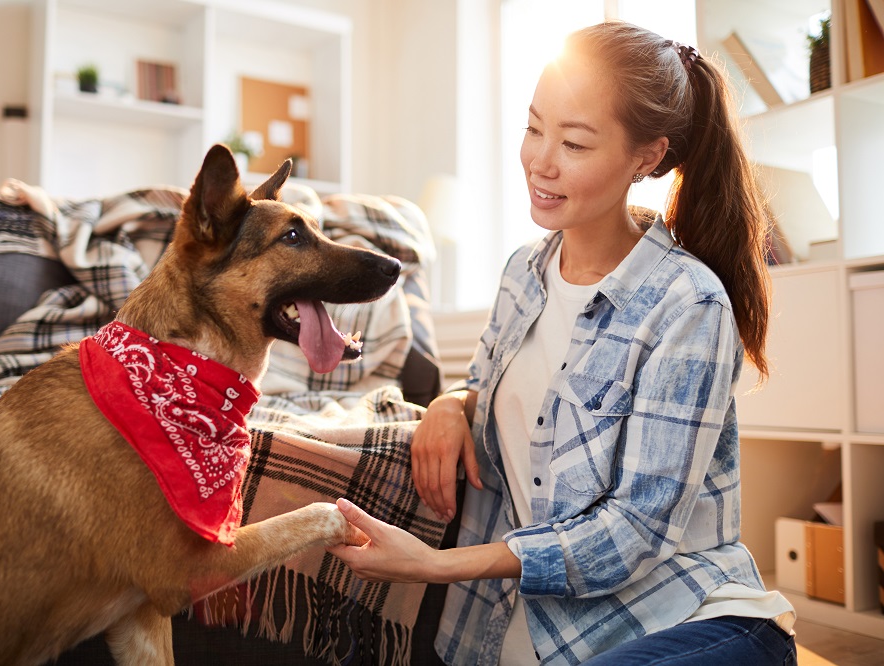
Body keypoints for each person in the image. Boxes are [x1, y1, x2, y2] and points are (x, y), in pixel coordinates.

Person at [326, 21, 798, 666]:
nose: (540, 162)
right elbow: (503, 394)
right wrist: (451, 404)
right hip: (515, 631)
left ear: (647, 158)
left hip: (680, 618)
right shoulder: (523, 272)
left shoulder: (689, 302)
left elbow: (638, 528)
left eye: (574, 143)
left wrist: (434, 565)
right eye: (533, 127)